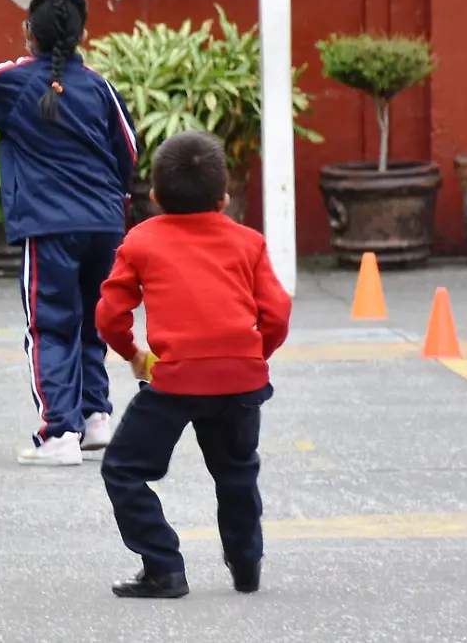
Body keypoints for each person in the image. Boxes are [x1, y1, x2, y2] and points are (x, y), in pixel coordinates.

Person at [0, 0, 138, 465]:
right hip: (105, 224)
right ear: (84, 33)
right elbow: (126, 149)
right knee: (94, 320)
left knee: (49, 325)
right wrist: (114, 201)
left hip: (49, 226)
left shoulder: (17, 80)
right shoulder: (99, 86)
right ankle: (94, 419)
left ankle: (57, 434)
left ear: (28, 33)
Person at [94, 130, 292, 599]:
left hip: (175, 378)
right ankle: (246, 567)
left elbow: (109, 314)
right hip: (240, 378)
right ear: (224, 197)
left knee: (123, 468)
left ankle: (164, 566)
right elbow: (277, 311)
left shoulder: (141, 240)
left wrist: (133, 354)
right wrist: (254, 353)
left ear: (156, 197)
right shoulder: (249, 243)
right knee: (236, 471)